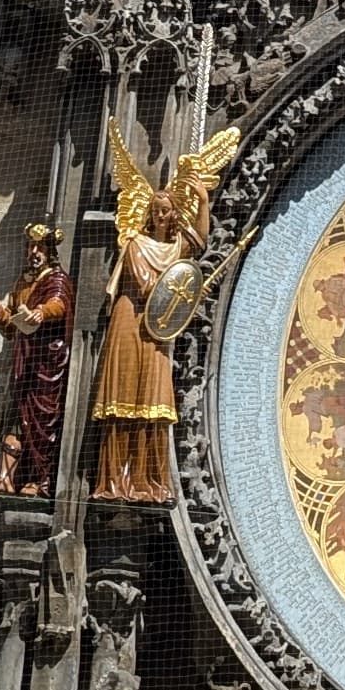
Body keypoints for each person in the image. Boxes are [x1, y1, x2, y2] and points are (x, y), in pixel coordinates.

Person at [91, 122, 237, 504]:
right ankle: (113, 481)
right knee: (121, 393)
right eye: (154, 211)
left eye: (165, 211)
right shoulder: (136, 244)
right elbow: (144, 286)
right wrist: (176, 294)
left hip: (155, 331)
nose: (159, 216)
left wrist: (203, 200)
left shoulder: (176, 251)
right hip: (130, 321)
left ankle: (149, 481)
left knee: (154, 400)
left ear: (173, 215)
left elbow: (200, 242)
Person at [0, 219, 74, 498]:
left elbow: (59, 303)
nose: (33, 251)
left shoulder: (56, 279)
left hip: (47, 364)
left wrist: (42, 312)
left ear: (49, 251)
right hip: (24, 362)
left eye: (39, 246)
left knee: (42, 424)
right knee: (15, 419)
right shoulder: (24, 281)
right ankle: (5, 479)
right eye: (30, 246)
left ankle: (39, 481)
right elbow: (11, 328)